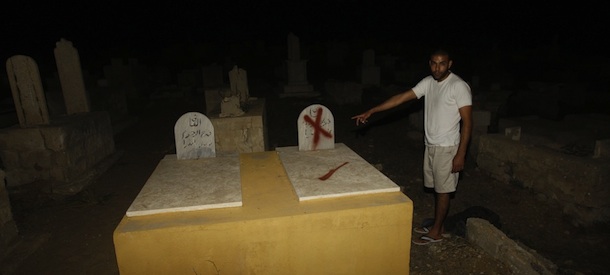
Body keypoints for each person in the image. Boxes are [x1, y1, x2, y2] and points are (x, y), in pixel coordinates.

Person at [351, 49, 473, 245]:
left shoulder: (458, 86)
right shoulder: (429, 82)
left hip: (447, 147)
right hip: (431, 145)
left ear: (450, 64)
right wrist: (372, 110)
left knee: (443, 191)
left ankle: (436, 232)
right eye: (433, 63)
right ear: (429, 63)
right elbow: (401, 98)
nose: (437, 67)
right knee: (437, 188)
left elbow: (468, 122)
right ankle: (439, 224)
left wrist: (461, 154)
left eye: (442, 63)